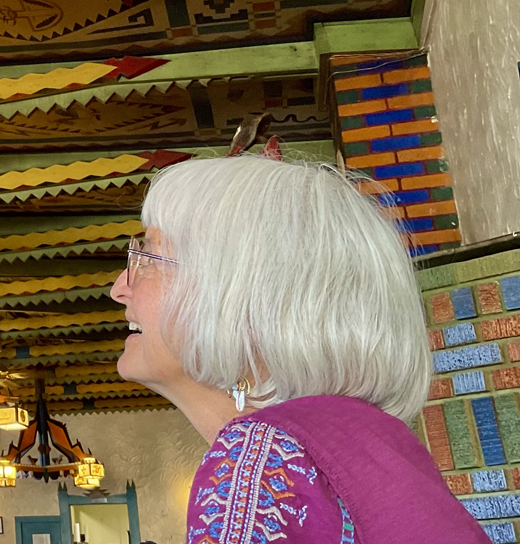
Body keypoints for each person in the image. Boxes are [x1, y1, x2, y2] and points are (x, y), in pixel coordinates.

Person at [110, 155, 487, 544]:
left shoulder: (261, 463)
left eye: (148, 257)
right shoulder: (376, 449)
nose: (119, 287)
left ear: (243, 297)